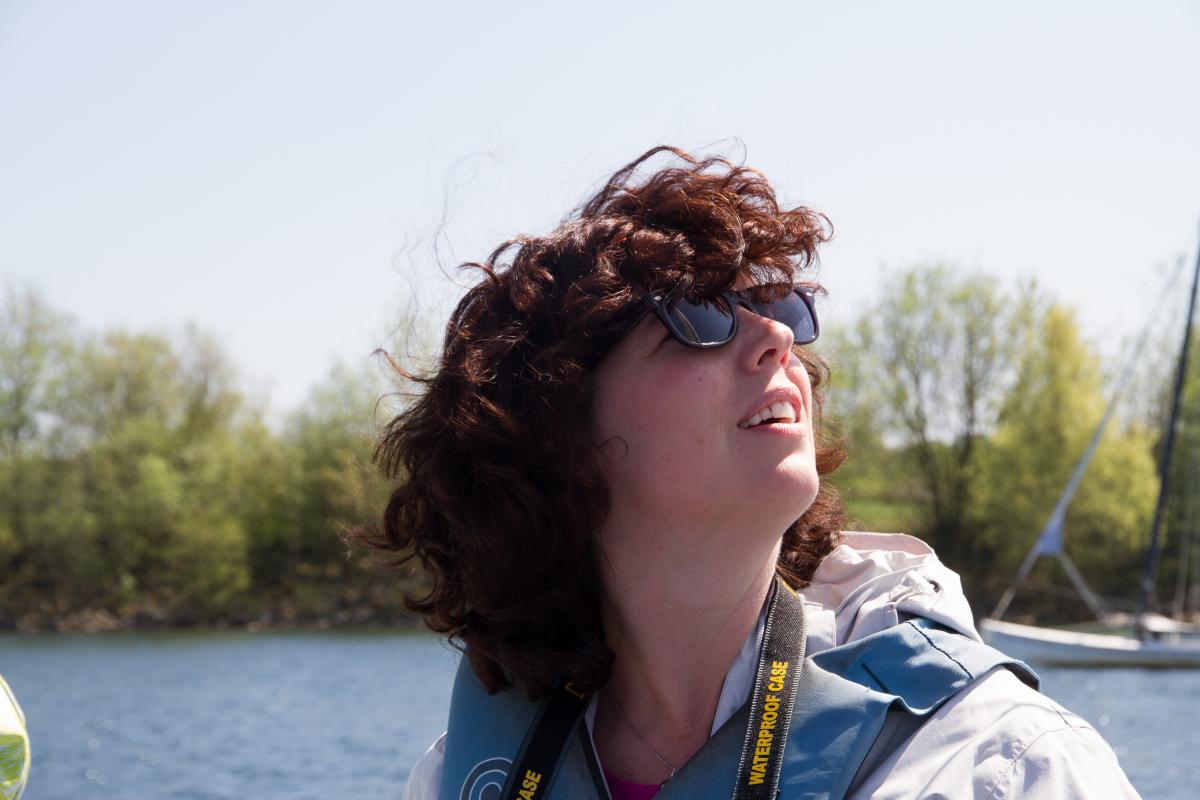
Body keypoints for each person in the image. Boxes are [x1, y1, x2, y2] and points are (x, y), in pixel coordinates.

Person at [357, 146, 1140, 799]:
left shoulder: (1005, 766)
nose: (777, 338)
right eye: (699, 317)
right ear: (558, 432)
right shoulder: (463, 778)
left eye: (781, 306)